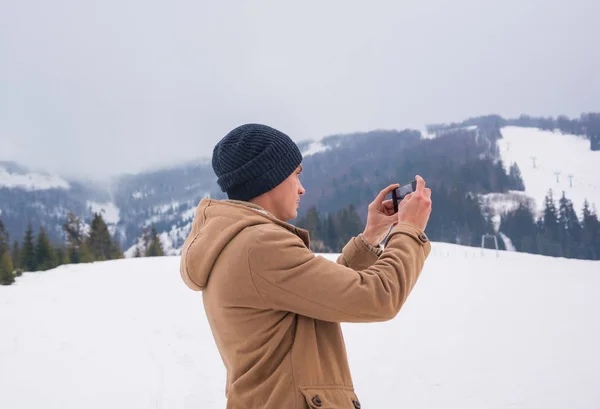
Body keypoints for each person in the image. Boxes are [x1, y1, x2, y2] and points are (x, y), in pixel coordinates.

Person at [180, 123, 432, 409]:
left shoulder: (237, 242)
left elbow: (319, 293)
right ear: (269, 178)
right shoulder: (259, 246)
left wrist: (371, 236)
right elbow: (379, 296)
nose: (302, 188)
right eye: (296, 174)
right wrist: (409, 229)